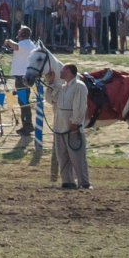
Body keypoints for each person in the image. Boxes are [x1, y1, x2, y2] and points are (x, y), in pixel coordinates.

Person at [48, 60, 93, 189]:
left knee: (77, 157)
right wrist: (50, 83)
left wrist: (75, 123)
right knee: (62, 156)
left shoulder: (79, 86)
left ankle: (84, 182)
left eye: (63, 70)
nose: (60, 72)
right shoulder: (62, 87)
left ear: (69, 72)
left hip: (71, 127)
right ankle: (67, 181)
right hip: (59, 126)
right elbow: (51, 99)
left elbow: (80, 106)